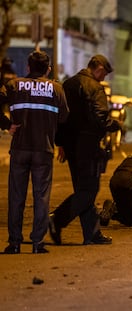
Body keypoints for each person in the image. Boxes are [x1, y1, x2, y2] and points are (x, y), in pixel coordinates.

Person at [1, 50, 69, 254]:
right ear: (48, 69)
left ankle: (14, 243)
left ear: (28, 67)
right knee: (41, 196)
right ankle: (38, 243)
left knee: (16, 196)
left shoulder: (14, 85)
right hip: (43, 148)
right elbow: (64, 117)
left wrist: (6, 125)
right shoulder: (56, 89)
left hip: (20, 148)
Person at [49, 54, 120, 246]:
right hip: (88, 145)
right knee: (89, 189)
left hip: (71, 145)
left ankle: (92, 233)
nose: (104, 77)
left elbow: (60, 117)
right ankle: (57, 218)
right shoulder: (95, 88)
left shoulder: (68, 84)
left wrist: (61, 143)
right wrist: (116, 124)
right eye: (104, 73)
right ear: (97, 68)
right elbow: (100, 117)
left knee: (82, 189)